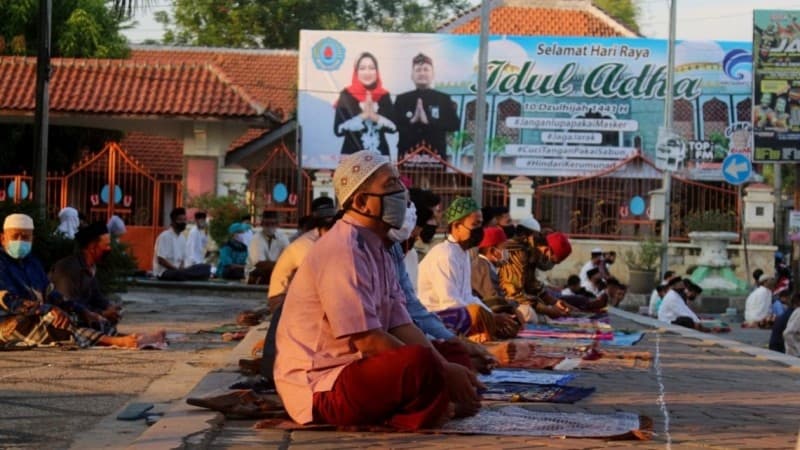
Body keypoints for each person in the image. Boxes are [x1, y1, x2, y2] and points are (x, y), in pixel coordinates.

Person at [274, 150, 482, 430]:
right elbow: (368, 341)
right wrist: (442, 372)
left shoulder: (381, 246)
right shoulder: (342, 249)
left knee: (451, 352)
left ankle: (433, 403)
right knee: (420, 362)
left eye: (399, 183)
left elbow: (402, 324)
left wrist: (445, 364)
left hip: (362, 368)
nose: (402, 193)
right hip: (324, 384)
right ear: (361, 202)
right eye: (390, 186)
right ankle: (419, 410)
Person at [0, 214, 164, 348]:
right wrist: (49, 309)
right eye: (15, 236)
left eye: (26, 237)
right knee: (53, 321)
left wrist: (85, 312)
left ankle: (130, 338)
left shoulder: (32, 262)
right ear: (2, 238)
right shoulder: (67, 269)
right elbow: (8, 300)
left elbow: (51, 293)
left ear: (32, 239)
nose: (20, 241)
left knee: (82, 316)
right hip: (9, 322)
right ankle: (116, 342)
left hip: (39, 314)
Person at [417, 197, 521, 341]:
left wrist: (492, 315)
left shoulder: (463, 252)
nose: (479, 230)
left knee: (511, 321)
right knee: (478, 314)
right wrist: (490, 318)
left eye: (480, 224)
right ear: (457, 226)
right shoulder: (444, 255)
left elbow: (468, 297)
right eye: (474, 224)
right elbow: (449, 303)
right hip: (435, 316)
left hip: (457, 314)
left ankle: (479, 337)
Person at [50, 222, 122, 335]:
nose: (109, 249)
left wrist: (109, 307)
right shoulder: (67, 268)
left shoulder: (90, 267)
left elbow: (96, 296)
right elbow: (68, 303)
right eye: (106, 245)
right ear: (93, 247)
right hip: (64, 319)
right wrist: (102, 313)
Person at [498, 215, 573, 319]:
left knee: (543, 316)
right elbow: (514, 294)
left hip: (516, 301)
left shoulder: (531, 253)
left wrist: (555, 302)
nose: (550, 265)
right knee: (530, 315)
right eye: (552, 261)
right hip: (501, 300)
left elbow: (532, 286)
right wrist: (549, 310)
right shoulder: (519, 253)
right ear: (547, 251)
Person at [394, 53, 460, 161]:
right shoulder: (402, 99)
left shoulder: (443, 99)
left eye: (426, 69)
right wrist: (412, 120)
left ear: (433, 74)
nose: (422, 73)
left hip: (435, 155)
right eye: (418, 70)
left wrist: (428, 121)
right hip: (408, 155)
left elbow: (454, 125)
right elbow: (393, 126)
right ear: (412, 75)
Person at [333, 52, 396, 155]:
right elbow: (338, 130)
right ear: (356, 71)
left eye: (371, 68)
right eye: (362, 68)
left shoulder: (384, 95)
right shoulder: (347, 95)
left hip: (380, 156)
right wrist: (363, 116)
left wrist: (374, 117)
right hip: (352, 156)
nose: (367, 72)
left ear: (377, 71)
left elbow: (394, 128)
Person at [153, 208, 211, 281]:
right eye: (180, 220)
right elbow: (161, 260)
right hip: (165, 272)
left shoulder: (182, 238)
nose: (183, 222)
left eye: (184, 220)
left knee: (206, 268)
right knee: (180, 274)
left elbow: (182, 260)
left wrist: (182, 269)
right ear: (173, 221)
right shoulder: (165, 236)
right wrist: (176, 270)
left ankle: (189, 275)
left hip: (179, 271)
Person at [246, 211, 289, 285]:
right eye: (267, 224)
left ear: (277, 224)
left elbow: (289, 257)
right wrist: (282, 265)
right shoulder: (256, 238)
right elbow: (259, 263)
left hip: (277, 271)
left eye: (273, 224)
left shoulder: (283, 237)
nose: (270, 226)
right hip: (257, 273)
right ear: (262, 224)